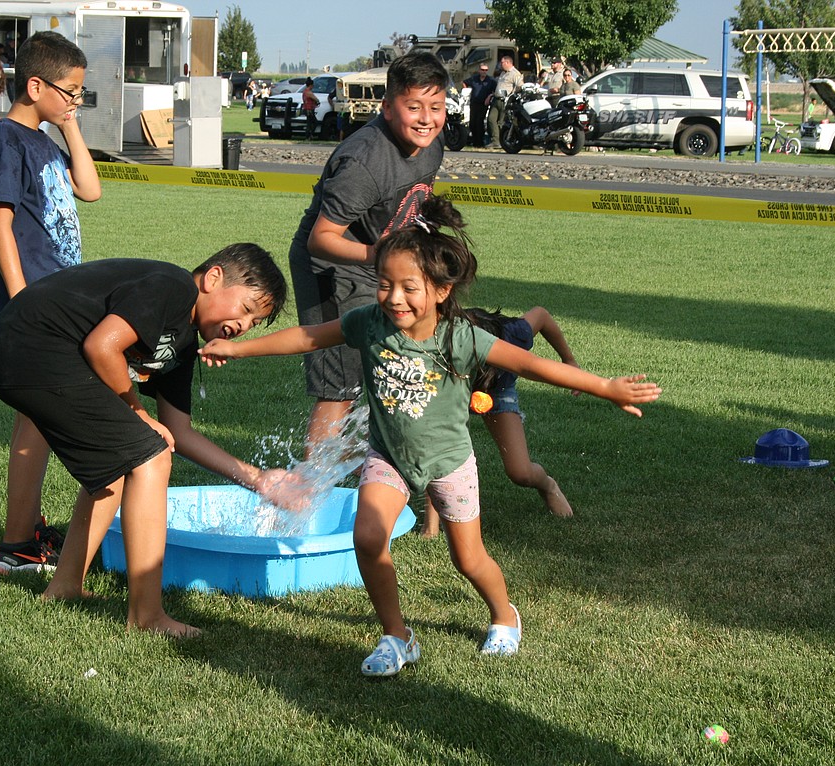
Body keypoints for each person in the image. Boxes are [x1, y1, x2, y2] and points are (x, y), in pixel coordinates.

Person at [199, 197, 661, 676]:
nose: (394, 298)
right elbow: (311, 337)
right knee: (367, 537)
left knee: (469, 558)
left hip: (448, 463)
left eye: (408, 287)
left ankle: (504, 615)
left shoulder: (460, 338)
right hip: (389, 457)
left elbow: (528, 363)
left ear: (440, 291)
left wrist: (604, 386)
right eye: (384, 284)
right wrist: (239, 348)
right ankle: (396, 636)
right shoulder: (369, 325)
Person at [0, 245, 292, 637]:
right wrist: (136, 409)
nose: (245, 324)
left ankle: (64, 588)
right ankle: (147, 616)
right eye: (247, 308)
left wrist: (259, 479)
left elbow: (180, 432)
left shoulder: (182, 344)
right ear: (213, 279)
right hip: (31, 349)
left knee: (124, 456)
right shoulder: (172, 288)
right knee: (150, 454)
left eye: (255, 321)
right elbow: (102, 346)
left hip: (27, 356)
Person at [0, 30, 102, 575]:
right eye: (70, 92)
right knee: (38, 412)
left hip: (56, 297)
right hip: (31, 300)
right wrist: (21, 298)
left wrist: (70, 125)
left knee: (41, 413)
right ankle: (15, 545)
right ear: (35, 86)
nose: (75, 101)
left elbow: (91, 188)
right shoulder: (6, 139)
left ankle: (25, 532)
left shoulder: (43, 140)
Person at [289, 50, 448, 459]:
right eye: (414, 106)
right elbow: (320, 239)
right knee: (341, 384)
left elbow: (411, 205)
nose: (427, 117)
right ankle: (311, 492)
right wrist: (378, 255)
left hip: (384, 262)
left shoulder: (431, 143)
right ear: (387, 107)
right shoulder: (364, 162)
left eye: (437, 106)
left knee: (401, 362)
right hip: (334, 265)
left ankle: (377, 467)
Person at [419, 305, 578, 538]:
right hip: (453, 389)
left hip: (497, 388)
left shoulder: (512, 335)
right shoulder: (443, 345)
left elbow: (542, 315)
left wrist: (569, 360)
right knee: (438, 452)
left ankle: (548, 486)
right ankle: (430, 526)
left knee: (520, 472)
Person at [488, 55, 523, 148]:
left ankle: (502, 141)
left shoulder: (515, 74)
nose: (500, 64)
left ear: (508, 63)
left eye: (502, 62)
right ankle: (495, 140)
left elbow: (520, 86)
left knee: (501, 122)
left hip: (505, 100)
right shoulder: (503, 73)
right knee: (491, 119)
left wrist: (512, 95)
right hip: (496, 99)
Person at [463, 62, 496, 147]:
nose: (484, 72)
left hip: (483, 104)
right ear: (479, 70)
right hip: (474, 103)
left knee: (479, 122)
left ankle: (479, 143)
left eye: (486, 70)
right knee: (472, 123)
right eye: (482, 70)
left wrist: (490, 96)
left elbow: (495, 91)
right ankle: (474, 141)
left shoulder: (491, 81)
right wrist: (465, 91)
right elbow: (464, 83)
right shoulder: (474, 79)